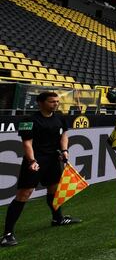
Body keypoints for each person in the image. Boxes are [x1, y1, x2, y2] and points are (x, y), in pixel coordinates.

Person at [2, 92, 81, 247]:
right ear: (40, 102)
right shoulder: (29, 120)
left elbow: (64, 135)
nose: (56, 104)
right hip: (35, 161)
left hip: (53, 160)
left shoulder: (60, 118)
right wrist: (32, 161)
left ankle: (57, 218)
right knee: (24, 194)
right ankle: (7, 234)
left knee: (53, 189)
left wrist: (64, 151)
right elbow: (27, 143)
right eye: (52, 101)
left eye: (57, 101)